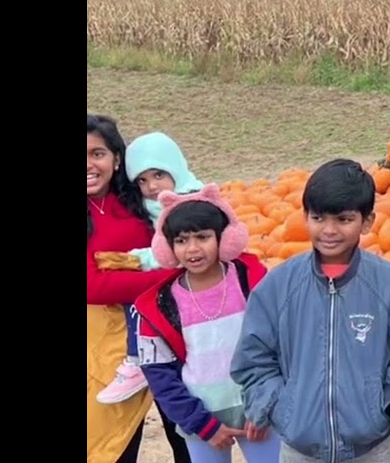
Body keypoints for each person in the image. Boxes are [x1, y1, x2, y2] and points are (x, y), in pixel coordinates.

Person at [230, 158, 390, 463]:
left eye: (343, 219)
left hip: (374, 447)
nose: (329, 230)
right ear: (305, 217)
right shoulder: (278, 286)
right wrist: (279, 407)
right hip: (301, 449)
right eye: (318, 218)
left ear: (367, 221)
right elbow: (254, 357)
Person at [134, 184, 281, 462]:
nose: (192, 249)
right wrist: (203, 425)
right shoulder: (159, 306)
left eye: (202, 237)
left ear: (224, 238)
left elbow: (281, 346)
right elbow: (159, 375)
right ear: (167, 247)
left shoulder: (252, 282)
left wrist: (267, 405)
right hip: (201, 423)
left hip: (261, 413)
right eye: (181, 240)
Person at [86, 113, 193, 463]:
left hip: (168, 329)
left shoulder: (143, 198)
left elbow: (189, 229)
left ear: (117, 159)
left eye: (97, 153)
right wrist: (172, 276)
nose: (89, 165)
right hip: (108, 347)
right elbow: (92, 285)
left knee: (187, 435)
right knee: (116, 444)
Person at [97, 130, 205, 405]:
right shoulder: (148, 205)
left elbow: (177, 246)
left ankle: (136, 359)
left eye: (158, 175)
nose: (152, 186)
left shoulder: (191, 200)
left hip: (193, 278)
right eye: (142, 180)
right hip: (169, 276)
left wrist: (138, 260)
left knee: (137, 297)